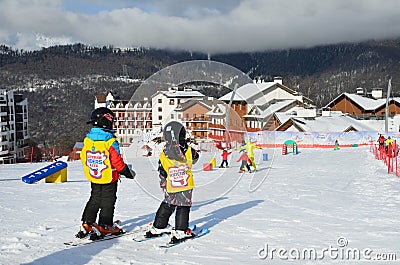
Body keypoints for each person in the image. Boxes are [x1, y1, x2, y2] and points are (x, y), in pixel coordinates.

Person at [76, 107, 135, 239]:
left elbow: (84, 157)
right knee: (108, 201)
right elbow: (116, 161)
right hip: (109, 177)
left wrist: (93, 166)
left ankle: (87, 223)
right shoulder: (109, 141)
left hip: (95, 175)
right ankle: (105, 225)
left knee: (95, 198)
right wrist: (126, 172)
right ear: (106, 122)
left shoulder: (88, 139)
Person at [146, 121, 199, 244]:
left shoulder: (164, 154)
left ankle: (159, 226)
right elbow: (196, 158)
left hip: (171, 184)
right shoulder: (189, 151)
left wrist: (163, 183)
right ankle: (180, 230)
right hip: (185, 184)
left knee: (168, 204)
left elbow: (162, 170)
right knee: (183, 206)